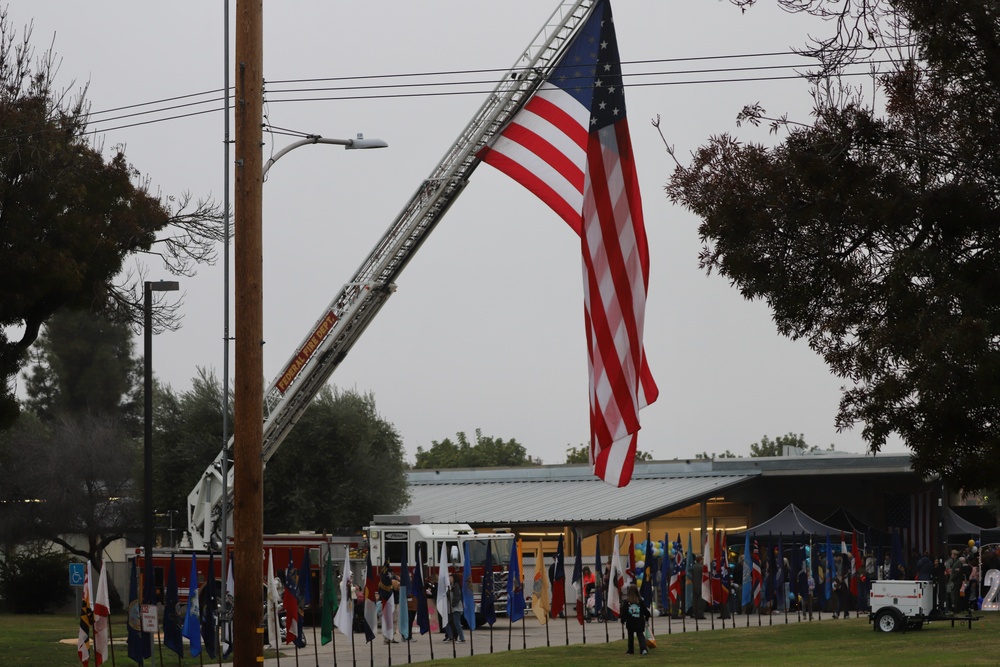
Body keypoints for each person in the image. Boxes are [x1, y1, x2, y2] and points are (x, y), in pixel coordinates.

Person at [620, 584, 650, 656]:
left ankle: (631, 650)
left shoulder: (626, 601)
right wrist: (647, 617)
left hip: (630, 622)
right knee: (640, 635)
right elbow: (645, 611)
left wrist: (623, 620)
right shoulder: (640, 601)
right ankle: (643, 649)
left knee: (630, 636)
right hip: (639, 621)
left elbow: (624, 612)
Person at [444, 573, 465, 642]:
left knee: (456, 623)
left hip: (455, 607)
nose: (449, 579)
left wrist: (453, 604)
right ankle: (451, 636)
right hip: (449, 608)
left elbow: (457, 596)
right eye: (449, 577)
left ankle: (462, 638)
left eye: (451, 577)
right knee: (445, 622)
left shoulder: (456, 586)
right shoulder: (449, 586)